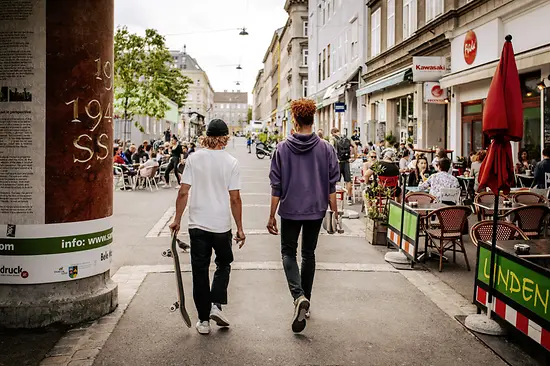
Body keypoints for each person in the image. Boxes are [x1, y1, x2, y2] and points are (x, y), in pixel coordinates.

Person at [267, 99, 339, 333]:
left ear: (294, 120)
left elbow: (276, 186)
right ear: (313, 119)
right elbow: (331, 185)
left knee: (288, 252)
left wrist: (271, 215)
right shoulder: (326, 148)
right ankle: (305, 302)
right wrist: (335, 211)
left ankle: (298, 296)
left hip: (289, 209)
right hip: (316, 209)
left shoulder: (281, 149)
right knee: (308, 253)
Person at [169, 119, 245, 335]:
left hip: (198, 225)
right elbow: (235, 198)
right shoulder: (231, 162)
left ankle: (203, 321)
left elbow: (183, 192)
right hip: (221, 225)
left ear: (207, 136)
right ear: (225, 137)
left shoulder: (194, 159)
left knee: (199, 271)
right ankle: (216, 304)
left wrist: (177, 219)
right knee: (224, 263)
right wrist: (240, 228)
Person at [331, 127, 356, 205]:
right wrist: (355, 156)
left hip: (338, 162)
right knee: (348, 181)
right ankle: (349, 198)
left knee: (336, 181)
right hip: (346, 162)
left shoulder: (333, 139)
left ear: (332, 133)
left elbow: (331, 148)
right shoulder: (347, 138)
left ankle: (335, 199)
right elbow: (354, 146)